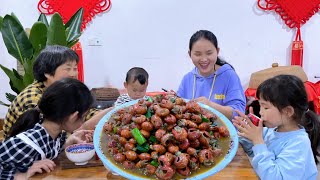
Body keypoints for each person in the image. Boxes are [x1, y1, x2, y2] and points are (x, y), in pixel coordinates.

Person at [0, 78, 95, 179]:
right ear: (74, 116)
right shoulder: (25, 145)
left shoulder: (55, 134)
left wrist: (68, 143)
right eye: (84, 115)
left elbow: (51, 150)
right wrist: (21, 176)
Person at [3, 45, 101, 137]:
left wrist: (108, 114)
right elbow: (55, 135)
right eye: (68, 68)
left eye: (75, 68)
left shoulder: (64, 91)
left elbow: (85, 112)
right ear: (48, 73)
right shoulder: (32, 98)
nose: (73, 74)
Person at [233, 75, 320, 179]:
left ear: (288, 111)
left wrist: (258, 141)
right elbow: (253, 151)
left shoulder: (299, 143)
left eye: (265, 107)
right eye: (260, 106)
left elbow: (275, 177)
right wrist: (247, 133)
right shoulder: (270, 131)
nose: (260, 112)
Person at [177, 30, 246, 119]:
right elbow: (178, 108)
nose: (204, 59)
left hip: (226, 132)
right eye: (198, 54)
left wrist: (211, 106)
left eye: (209, 53)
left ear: (217, 51)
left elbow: (239, 112)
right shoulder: (187, 79)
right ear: (190, 54)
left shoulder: (229, 76)